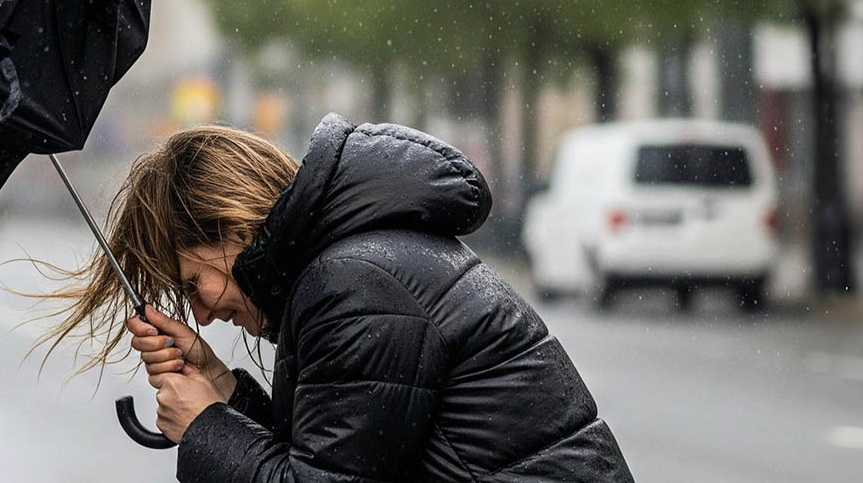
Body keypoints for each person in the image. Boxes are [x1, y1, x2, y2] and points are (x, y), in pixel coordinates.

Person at [40, 113, 634, 482]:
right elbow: (345, 456)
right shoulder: (353, 266)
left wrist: (205, 427)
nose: (201, 312)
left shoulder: (352, 285)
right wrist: (221, 387)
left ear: (235, 225)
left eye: (194, 284)